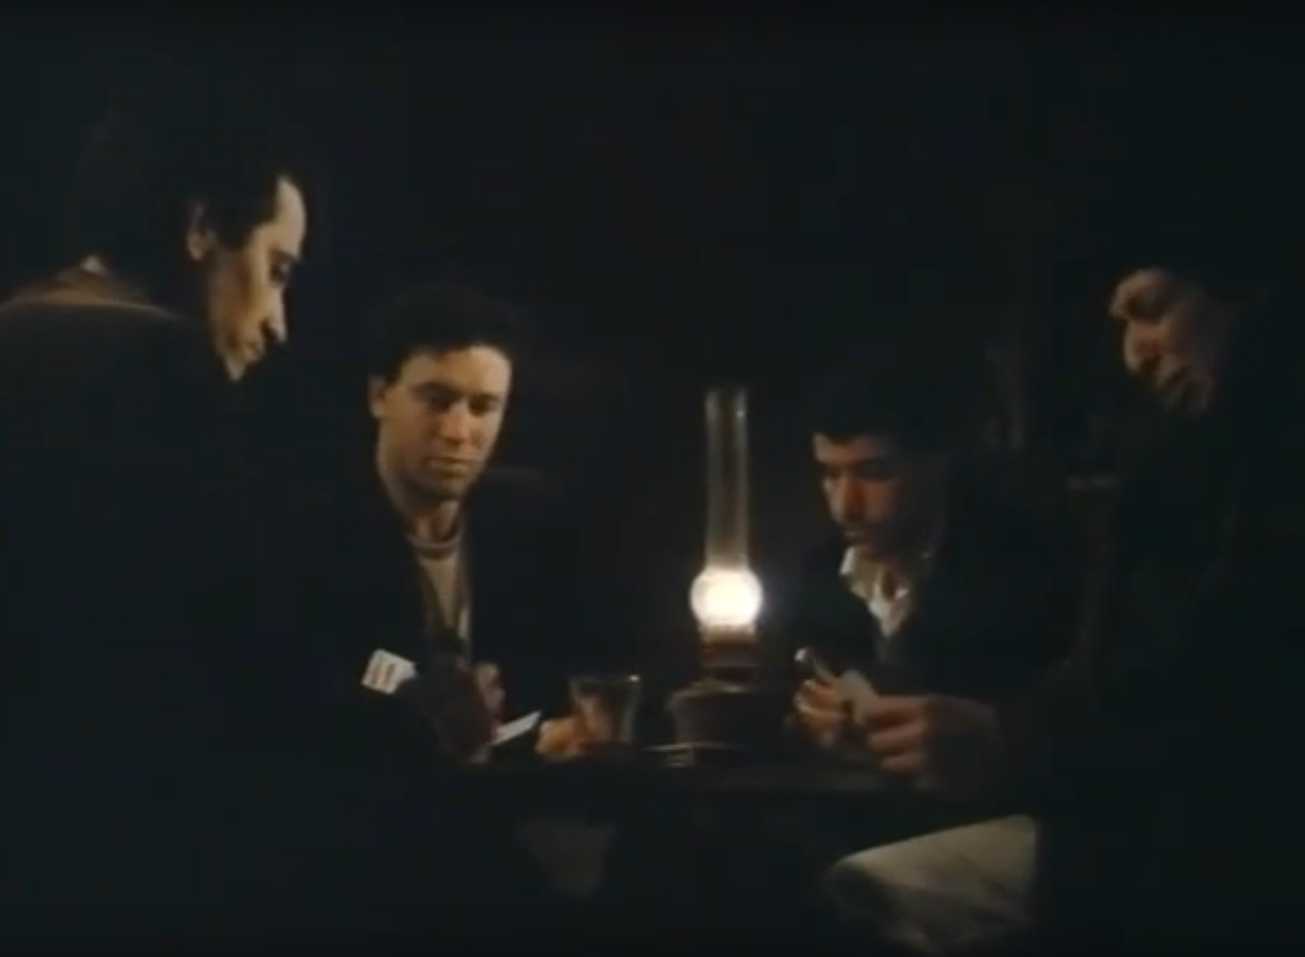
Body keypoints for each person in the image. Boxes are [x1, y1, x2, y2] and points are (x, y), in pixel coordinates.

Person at [831, 243, 1305, 945]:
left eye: (1152, 311)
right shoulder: (1192, 464)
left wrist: (1008, 739)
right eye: (1122, 326)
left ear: (1248, 300)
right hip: (1146, 830)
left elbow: (1217, 690)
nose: (1135, 354)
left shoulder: (1251, 478)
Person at [0, 97, 312, 939]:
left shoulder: (13, 329)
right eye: (277, 269)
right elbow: (240, 657)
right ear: (202, 227)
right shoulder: (164, 366)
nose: (278, 322)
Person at [260, 281, 616, 937]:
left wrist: (567, 728)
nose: (459, 431)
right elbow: (290, 703)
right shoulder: (308, 529)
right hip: (357, 854)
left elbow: (564, 678)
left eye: (483, 406)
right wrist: (418, 722)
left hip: (510, 833)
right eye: (436, 399)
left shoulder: (529, 521)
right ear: (380, 395)